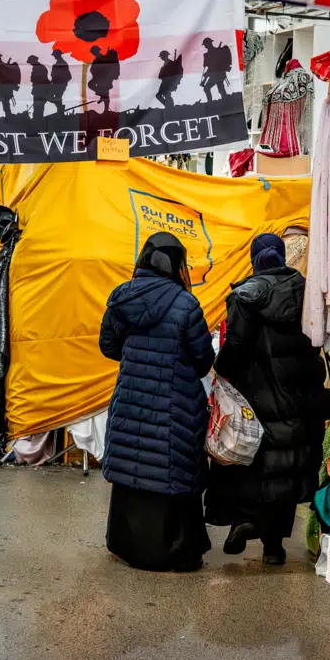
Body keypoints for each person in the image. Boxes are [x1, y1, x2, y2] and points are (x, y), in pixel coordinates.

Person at [204, 234, 330, 565]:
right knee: (286, 470)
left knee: (251, 463)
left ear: (254, 259)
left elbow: (233, 350)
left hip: (256, 398)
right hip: (301, 398)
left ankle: (245, 522)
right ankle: (273, 546)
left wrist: (220, 372)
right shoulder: (307, 293)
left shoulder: (246, 297)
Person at [99, 233, 214, 572]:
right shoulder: (186, 305)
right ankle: (174, 549)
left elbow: (108, 346)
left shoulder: (122, 296)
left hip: (131, 400)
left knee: (133, 466)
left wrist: (137, 357)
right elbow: (203, 359)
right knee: (171, 469)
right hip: (174, 405)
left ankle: (127, 543)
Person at [200, 37, 233, 101]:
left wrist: (206, 75)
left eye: (205, 44)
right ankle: (225, 102)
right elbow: (211, 66)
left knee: (208, 88)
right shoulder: (209, 54)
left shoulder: (214, 52)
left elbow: (214, 66)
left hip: (217, 74)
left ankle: (211, 103)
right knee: (221, 89)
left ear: (209, 44)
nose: (205, 46)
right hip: (217, 74)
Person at [88, 45, 119, 111]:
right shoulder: (98, 58)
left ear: (97, 51)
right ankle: (101, 95)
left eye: (93, 51)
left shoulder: (101, 58)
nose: (93, 53)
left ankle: (106, 109)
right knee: (92, 85)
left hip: (104, 79)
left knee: (106, 94)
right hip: (99, 78)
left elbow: (103, 69)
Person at [26, 54, 53, 120]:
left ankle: (37, 119)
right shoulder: (38, 67)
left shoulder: (39, 68)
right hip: (40, 89)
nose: (30, 64)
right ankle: (37, 118)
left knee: (39, 106)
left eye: (31, 62)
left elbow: (37, 79)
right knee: (38, 106)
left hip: (40, 89)